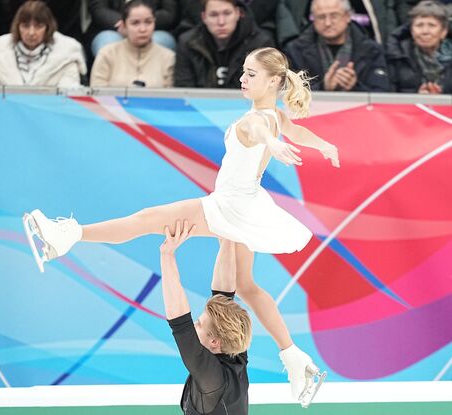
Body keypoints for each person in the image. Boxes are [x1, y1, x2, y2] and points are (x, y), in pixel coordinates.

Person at [23, 46, 338, 406]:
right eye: (244, 71)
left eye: (251, 73)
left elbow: (260, 129)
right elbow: (294, 132)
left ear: (274, 81)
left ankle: (67, 235)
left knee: (146, 221)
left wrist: (274, 143)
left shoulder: (263, 121)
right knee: (247, 286)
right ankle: (293, 356)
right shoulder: (274, 116)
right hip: (245, 205)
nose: (242, 78)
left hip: (229, 205)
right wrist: (322, 144)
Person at [162, 222, 251, 414]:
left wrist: (167, 254)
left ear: (214, 342)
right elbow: (224, 292)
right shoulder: (234, 350)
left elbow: (179, 320)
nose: (194, 324)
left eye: (199, 324)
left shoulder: (212, 380)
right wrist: (227, 236)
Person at [284, 0, 390, 91]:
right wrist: (323, 87)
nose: (328, 23)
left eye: (334, 16)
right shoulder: (295, 51)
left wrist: (354, 87)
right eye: (321, 17)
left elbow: (383, 93)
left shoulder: (372, 50)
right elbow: (287, 93)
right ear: (313, 19)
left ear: (348, 16)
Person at [0, 0, 86, 87]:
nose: (31, 33)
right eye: (25, 26)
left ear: (48, 28)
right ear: (17, 27)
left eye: (39, 26)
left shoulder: (67, 53)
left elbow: (67, 98)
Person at [174, 0, 273, 88]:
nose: (221, 22)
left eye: (227, 13)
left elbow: (265, 89)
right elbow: (184, 90)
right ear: (204, 17)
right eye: (213, 15)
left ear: (238, 13)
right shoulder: (188, 43)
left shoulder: (260, 45)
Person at [89, 0, 174, 87]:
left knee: (161, 39)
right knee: (107, 39)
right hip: (111, 100)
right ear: (124, 25)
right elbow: (97, 94)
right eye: (135, 23)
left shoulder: (168, 57)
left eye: (148, 22)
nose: (142, 29)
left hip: (157, 101)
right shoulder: (106, 54)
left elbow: (174, 97)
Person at [387, 0, 452, 93]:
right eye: (419, 25)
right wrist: (416, 96)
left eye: (432, 25)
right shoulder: (397, 56)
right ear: (412, 31)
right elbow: (389, 95)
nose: (425, 31)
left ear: (443, 32)